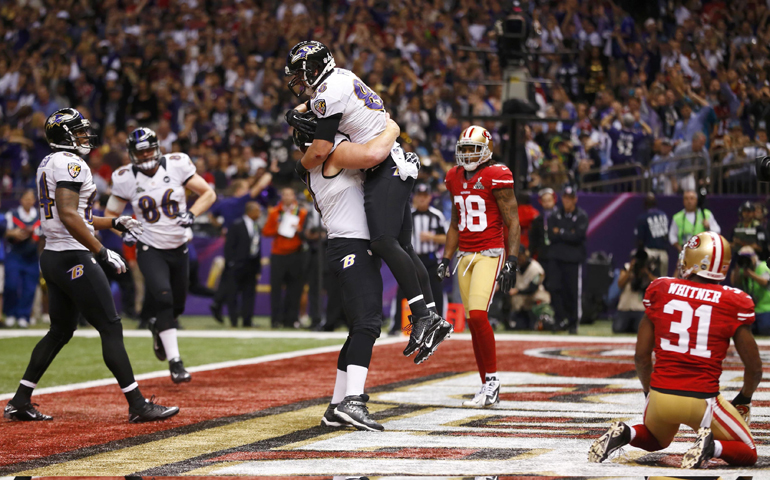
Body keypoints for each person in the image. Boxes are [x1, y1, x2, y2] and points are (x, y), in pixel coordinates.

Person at [5, 108, 178, 423]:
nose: (85, 136)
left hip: (53, 256)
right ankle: (138, 404)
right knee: (111, 327)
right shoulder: (71, 163)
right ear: (65, 134)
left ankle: (19, 400)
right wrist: (100, 251)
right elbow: (70, 215)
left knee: (59, 330)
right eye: (80, 131)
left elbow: (74, 215)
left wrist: (114, 221)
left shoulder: (49, 162)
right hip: (73, 256)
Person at [286, 40, 450, 361]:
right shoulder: (342, 77)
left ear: (314, 69)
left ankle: (423, 316)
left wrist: (298, 166)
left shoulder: (328, 117)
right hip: (394, 161)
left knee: (384, 241)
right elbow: (322, 106)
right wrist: (298, 111)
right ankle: (432, 314)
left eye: (300, 73)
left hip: (384, 166)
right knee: (402, 246)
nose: (299, 81)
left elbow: (319, 150)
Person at [589, 232, 762, 469]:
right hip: (702, 400)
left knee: (657, 438)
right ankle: (712, 447)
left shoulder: (662, 288)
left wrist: (650, 392)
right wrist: (745, 397)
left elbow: (641, 357)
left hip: (661, 394)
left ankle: (626, 433)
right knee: (749, 451)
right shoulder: (733, 300)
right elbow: (754, 368)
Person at [291, 105, 402, 431]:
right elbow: (374, 153)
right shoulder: (333, 156)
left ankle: (336, 407)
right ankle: (353, 400)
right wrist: (392, 127)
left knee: (359, 327)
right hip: (351, 246)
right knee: (368, 323)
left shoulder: (317, 163)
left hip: (346, 246)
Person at [105, 127, 216, 384]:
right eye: (139, 152)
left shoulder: (177, 164)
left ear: (157, 148)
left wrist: (192, 213)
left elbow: (208, 193)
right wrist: (125, 230)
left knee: (176, 306)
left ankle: (157, 326)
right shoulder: (125, 177)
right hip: (149, 246)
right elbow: (111, 215)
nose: (144, 157)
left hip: (179, 245)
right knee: (164, 299)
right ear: (132, 154)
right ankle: (176, 362)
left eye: (147, 150)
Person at [438, 125, 521, 407]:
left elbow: (512, 220)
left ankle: (493, 381)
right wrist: (445, 258)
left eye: (474, 148)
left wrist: (512, 259)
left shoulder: (497, 174)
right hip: (464, 255)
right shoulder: (453, 176)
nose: (468, 154)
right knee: (473, 323)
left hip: (489, 252)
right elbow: (454, 222)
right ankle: (486, 384)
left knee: (477, 315)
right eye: (464, 148)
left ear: (487, 150)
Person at [391, 183, 447, 333]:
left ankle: (438, 324)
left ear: (429, 197)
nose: (422, 199)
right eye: (419, 196)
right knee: (403, 291)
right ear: (415, 197)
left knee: (436, 293)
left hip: (430, 259)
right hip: (411, 259)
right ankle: (396, 325)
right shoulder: (408, 214)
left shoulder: (437, 215)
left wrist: (432, 237)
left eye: (425, 196)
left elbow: (447, 238)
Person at [262, 187, 308, 329]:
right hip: (278, 254)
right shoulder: (274, 212)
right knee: (276, 288)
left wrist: (300, 229)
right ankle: (276, 319)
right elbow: (265, 231)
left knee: (295, 288)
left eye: (290, 194)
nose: (287, 197)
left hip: (296, 254)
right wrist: (277, 228)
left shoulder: (302, 213)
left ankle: (291, 319)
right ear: (281, 197)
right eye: (285, 194)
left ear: (294, 196)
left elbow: (307, 233)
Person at [547, 186, 589, 334]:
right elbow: (551, 235)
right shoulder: (555, 215)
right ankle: (560, 320)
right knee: (555, 288)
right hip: (556, 258)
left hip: (572, 260)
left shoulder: (581, 215)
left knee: (572, 291)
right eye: (565, 198)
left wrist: (561, 232)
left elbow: (578, 236)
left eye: (570, 198)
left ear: (575, 199)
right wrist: (568, 233)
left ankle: (573, 322)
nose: (567, 201)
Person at [220, 202, 262, 327]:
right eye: (257, 211)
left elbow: (258, 248)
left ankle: (247, 320)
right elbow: (229, 246)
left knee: (249, 294)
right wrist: (231, 263)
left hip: (251, 265)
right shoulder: (236, 225)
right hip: (237, 265)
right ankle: (234, 320)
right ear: (250, 211)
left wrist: (258, 267)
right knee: (233, 293)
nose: (259, 214)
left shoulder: (257, 226)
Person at [4, 189, 41, 328]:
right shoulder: (12, 214)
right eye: (26, 198)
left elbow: (43, 235)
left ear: (34, 200)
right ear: (21, 200)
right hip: (15, 254)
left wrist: (35, 235)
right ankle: (10, 313)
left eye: (31, 198)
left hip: (32, 256)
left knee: (29, 288)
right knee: (11, 285)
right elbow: (4, 232)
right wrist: (13, 233)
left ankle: (23, 315)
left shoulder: (38, 216)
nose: (28, 201)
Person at [614, 249, 657, 333]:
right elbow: (620, 284)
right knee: (617, 328)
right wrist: (630, 270)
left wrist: (646, 273)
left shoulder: (650, 270)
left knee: (640, 329)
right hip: (625, 308)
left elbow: (657, 283)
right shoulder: (626, 268)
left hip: (640, 309)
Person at [731, 246, 770, 336]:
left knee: (764, 330)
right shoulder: (742, 269)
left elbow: (765, 282)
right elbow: (734, 282)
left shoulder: (763, 266)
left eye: (748, 258)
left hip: (765, 308)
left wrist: (751, 274)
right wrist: (737, 267)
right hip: (750, 309)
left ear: (754, 257)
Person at [510, 249, 551, 330]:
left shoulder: (536, 268)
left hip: (534, 298)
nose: (519, 258)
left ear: (526, 254)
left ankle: (543, 317)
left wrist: (517, 291)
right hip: (522, 302)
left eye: (520, 255)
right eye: (517, 256)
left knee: (540, 298)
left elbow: (533, 288)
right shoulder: (513, 267)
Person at [635, 193, 669, 276]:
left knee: (648, 280)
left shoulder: (643, 218)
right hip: (664, 254)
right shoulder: (663, 215)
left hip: (649, 254)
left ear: (645, 204)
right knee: (663, 280)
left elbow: (640, 241)